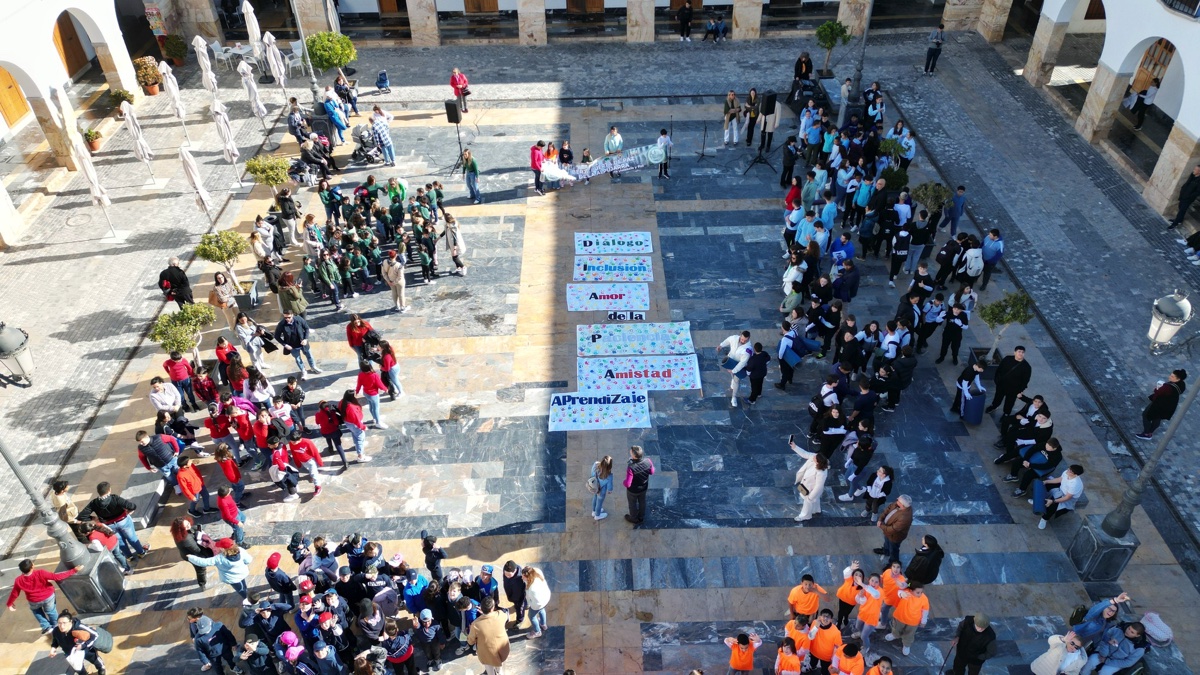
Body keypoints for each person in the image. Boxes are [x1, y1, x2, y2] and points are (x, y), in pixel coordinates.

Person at [78, 482, 148, 562]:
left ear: (98, 492)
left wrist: (93, 518)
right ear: (109, 490)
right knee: (132, 538)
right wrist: (129, 511)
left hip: (109, 525)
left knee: (120, 541)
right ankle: (141, 552)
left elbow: (81, 516)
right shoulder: (115, 498)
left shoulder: (94, 503)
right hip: (123, 521)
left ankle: (129, 557)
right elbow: (132, 506)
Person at [6, 559, 78, 633]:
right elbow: (57, 577)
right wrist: (74, 570)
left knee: (36, 612)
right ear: (32, 567)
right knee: (51, 611)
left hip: (34, 601)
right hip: (48, 597)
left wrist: (9, 604)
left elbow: (14, 593)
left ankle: (46, 627)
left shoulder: (18, 580)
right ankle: (56, 626)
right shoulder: (40, 573)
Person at [189, 539, 253, 600]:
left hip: (232, 579)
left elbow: (203, 562)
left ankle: (247, 599)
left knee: (240, 589)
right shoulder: (241, 551)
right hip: (242, 573)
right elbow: (249, 560)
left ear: (223, 549)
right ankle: (246, 592)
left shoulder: (219, 559)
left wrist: (191, 557)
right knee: (243, 585)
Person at [49, 610, 107, 675]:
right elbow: (55, 640)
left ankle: (101, 668)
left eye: (64, 623)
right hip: (71, 653)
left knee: (94, 659)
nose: (62, 626)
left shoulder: (79, 627)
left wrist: (84, 645)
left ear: (70, 622)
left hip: (85, 649)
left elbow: (95, 634)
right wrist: (53, 648)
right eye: (59, 623)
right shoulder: (56, 630)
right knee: (78, 668)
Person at [1080, 622, 1148, 675]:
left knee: (1104, 673)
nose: (1128, 631)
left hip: (1117, 661)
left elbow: (1128, 662)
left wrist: (1107, 661)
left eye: (1132, 632)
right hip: (1104, 651)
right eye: (1129, 628)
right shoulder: (1117, 629)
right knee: (1090, 661)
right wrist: (1107, 643)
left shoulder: (1139, 648)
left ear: (1137, 635)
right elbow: (1104, 639)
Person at [1137, 368, 1186, 439]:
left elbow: (1157, 392)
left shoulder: (1167, 387)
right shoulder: (1182, 384)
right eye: (1170, 375)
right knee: (1157, 418)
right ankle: (1150, 432)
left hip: (1159, 404)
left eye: (1172, 376)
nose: (1169, 377)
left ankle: (1146, 433)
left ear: (1178, 379)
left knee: (1146, 415)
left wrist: (1157, 389)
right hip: (1168, 405)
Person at [466, 596, 509, 674]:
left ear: (481, 608)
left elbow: (470, 641)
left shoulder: (475, 624)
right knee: (500, 668)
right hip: (502, 650)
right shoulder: (501, 615)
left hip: (487, 654)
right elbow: (505, 616)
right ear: (492, 608)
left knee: (490, 670)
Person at [790, 439, 829, 523]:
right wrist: (795, 447)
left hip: (811, 490)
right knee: (815, 500)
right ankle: (816, 510)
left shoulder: (821, 472)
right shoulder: (816, 458)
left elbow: (819, 486)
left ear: (818, 462)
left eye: (815, 458)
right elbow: (805, 454)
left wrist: (811, 496)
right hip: (806, 485)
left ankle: (805, 515)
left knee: (808, 501)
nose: (813, 457)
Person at [884, 582, 928, 656]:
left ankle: (906, 644)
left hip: (913, 621)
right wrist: (901, 594)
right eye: (918, 592)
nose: (920, 594)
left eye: (921, 592)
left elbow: (925, 610)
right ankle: (895, 635)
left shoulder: (924, 598)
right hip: (900, 617)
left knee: (909, 633)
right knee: (896, 628)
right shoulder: (906, 593)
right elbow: (899, 592)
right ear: (911, 590)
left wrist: (924, 620)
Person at [274, 311, 322, 379]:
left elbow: (306, 328)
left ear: (292, 315)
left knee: (309, 355)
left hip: (303, 343)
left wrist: (305, 339)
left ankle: (313, 367)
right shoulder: (281, 324)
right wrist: (285, 345)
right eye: (285, 317)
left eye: (289, 317)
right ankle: (303, 371)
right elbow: (276, 336)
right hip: (292, 346)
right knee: (298, 359)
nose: (287, 319)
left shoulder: (298, 319)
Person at [190, 610, 240, 675]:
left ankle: (233, 667)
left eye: (206, 629)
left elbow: (229, 635)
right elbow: (199, 650)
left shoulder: (219, 626)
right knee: (217, 666)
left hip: (225, 649)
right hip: (213, 655)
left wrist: (233, 644)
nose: (205, 632)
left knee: (231, 659)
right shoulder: (198, 639)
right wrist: (205, 661)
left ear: (210, 623)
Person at [1036, 464, 1085, 529]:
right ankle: (1038, 502)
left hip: (1067, 498)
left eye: (1070, 471)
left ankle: (1044, 519)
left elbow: (1067, 497)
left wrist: (1053, 501)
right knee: (1045, 486)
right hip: (1061, 489)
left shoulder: (1075, 484)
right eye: (1069, 469)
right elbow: (1060, 479)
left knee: (1053, 505)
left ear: (1075, 475)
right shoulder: (1066, 472)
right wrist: (1046, 482)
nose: (1068, 471)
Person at [988, 346, 1032, 415]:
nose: (1021, 354)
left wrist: (1020, 391)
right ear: (1014, 352)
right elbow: (999, 369)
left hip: (1014, 389)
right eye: (1019, 352)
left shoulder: (1026, 367)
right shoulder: (1007, 359)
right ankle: (994, 406)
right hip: (1001, 385)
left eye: (1022, 352)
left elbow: (1025, 380)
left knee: (1009, 402)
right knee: (997, 397)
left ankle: (1006, 414)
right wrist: (997, 380)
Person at [718, 331, 753, 407]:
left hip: (740, 366)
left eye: (745, 340)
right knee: (732, 375)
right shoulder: (734, 338)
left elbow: (742, 363)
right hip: (731, 361)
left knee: (736, 381)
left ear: (748, 339)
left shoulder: (748, 350)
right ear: (740, 336)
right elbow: (728, 340)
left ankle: (734, 397)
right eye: (742, 339)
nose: (743, 341)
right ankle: (732, 380)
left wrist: (734, 370)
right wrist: (721, 345)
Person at [875, 495, 912, 563]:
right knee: (886, 542)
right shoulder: (897, 504)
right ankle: (886, 551)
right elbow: (888, 509)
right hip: (887, 531)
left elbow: (893, 529)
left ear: (902, 505)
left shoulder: (905, 518)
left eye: (898, 500)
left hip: (895, 536)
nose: (897, 499)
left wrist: (881, 526)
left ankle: (893, 562)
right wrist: (880, 519)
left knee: (894, 549)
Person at [624, 445, 654, 525]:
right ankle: (641, 517)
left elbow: (628, 483)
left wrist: (624, 482)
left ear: (634, 455)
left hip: (633, 490)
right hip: (643, 488)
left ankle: (633, 518)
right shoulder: (648, 461)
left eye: (631, 451)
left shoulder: (631, 467)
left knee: (632, 504)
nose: (630, 451)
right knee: (642, 501)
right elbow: (652, 472)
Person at [521, 566, 551, 639]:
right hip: (546, 597)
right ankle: (543, 624)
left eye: (523, 577)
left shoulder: (532, 589)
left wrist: (529, 605)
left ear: (528, 577)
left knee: (532, 616)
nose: (522, 578)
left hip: (538, 603)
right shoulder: (537, 571)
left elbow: (535, 602)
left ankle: (537, 631)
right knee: (542, 610)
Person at [1168, 163, 1200, 229]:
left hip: (1188, 198)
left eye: (1195, 169)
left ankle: (1175, 223)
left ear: (1199, 172)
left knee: (1182, 210)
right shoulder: (1192, 175)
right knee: (1180, 207)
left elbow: (1198, 192)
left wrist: (1190, 196)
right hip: (1183, 195)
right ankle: (1179, 220)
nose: (1193, 170)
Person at [590, 455, 613, 520]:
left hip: (595, 487)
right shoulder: (609, 475)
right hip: (601, 491)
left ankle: (593, 511)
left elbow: (592, 473)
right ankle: (597, 515)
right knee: (599, 502)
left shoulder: (595, 465)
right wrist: (610, 490)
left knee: (595, 498)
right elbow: (609, 486)